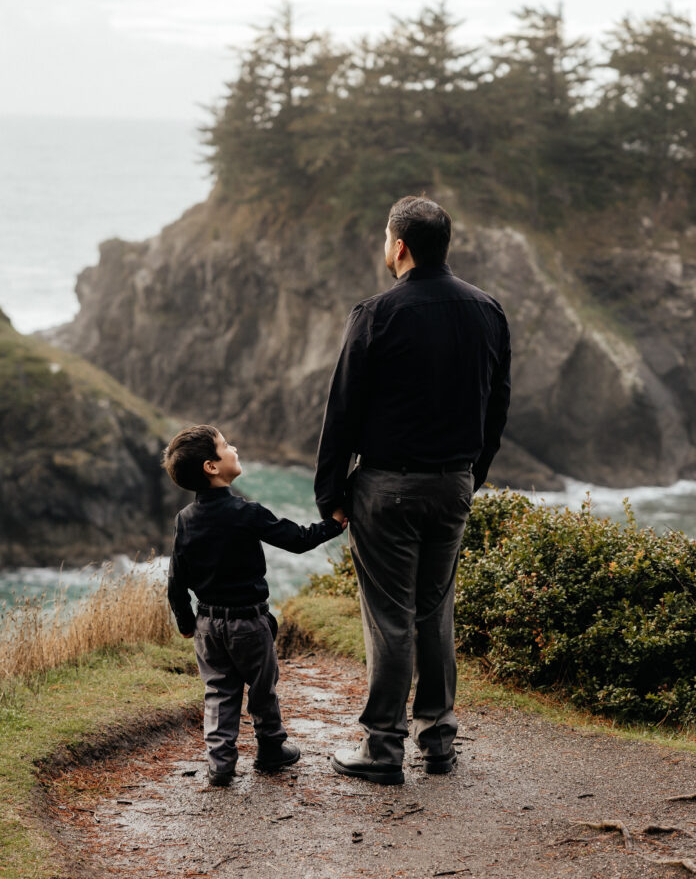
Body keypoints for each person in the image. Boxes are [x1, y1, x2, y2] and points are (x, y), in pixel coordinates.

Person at [315, 195, 511, 785]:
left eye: (384, 237)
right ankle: (439, 740)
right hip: (453, 482)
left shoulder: (377, 313)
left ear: (399, 245)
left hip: (388, 485)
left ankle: (382, 748)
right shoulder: (487, 310)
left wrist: (331, 491)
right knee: (434, 609)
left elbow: (342, 408)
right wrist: (472, 475)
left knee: (391, 617)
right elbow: (496, 404)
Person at [164, 424, 347, 787]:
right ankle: (271, 749)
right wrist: (334, 525)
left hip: (207, 624)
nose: (233, 448)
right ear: (211, 467)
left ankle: (220, 763)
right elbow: (297, 540)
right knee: (262, 687)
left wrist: (186, 622)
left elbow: (176, 580)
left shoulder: (184, 520)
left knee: (218, 690)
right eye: (224, 445)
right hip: (249, 621)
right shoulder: (246, 512)